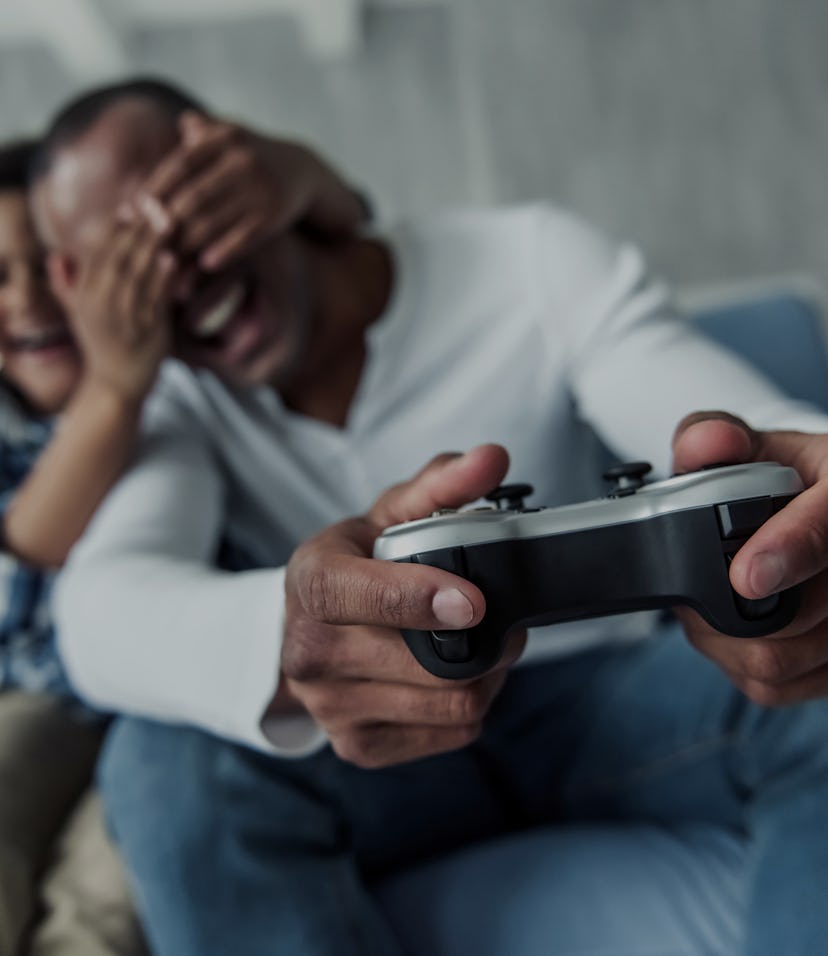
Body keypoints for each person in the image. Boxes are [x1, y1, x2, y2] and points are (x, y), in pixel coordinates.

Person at [29, 77, 828, 956]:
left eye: (170, 224)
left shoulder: (526, 262)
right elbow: (97, 615)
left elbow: (745, 435)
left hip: (603, 697)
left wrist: (804, 518)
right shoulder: (177, 402)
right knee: (164, 766)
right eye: (126, 270)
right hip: (373, 752)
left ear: (231, 159)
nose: (176, 280)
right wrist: (302, 629)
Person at [0, 136, 165, 956]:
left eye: (55, 264)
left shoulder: (187, 398)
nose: (28, 298)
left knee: (111, 887)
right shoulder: (14, 447)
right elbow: (22, 555)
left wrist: (122, 387)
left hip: (161, 706)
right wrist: (110, 393)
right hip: (36, 698)